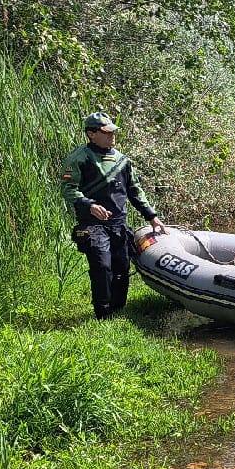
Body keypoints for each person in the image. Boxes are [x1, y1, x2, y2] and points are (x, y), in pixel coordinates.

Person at [60, 112, 165, 319]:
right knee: (102, 266)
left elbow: (134, 190)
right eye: (106, 132)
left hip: (119, 223)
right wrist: (90, 205)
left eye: (113, 132)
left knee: (121, 268)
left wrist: (151, 216)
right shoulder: (79, 158)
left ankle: (118, 311)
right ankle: (103, 314)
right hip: (92, 224)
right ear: (91, 134)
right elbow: (68, 189)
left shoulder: (122, 161)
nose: (112, 136)